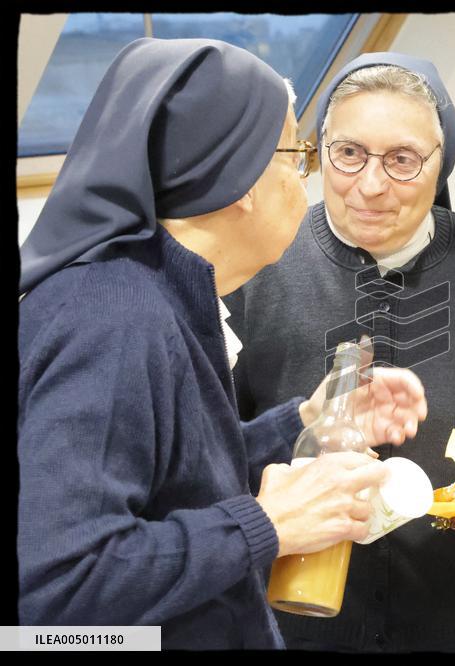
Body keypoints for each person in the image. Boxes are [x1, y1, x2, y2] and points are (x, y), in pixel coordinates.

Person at [17, 38, 428, 650]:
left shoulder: (157, 294)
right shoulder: (115, 318)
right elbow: (61, 592)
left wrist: (304, 421)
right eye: (296, 156)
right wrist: (268, 525)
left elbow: (169, 477)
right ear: (243, 179)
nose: (304, 181)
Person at [223, 52, 455, 652]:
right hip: (310, 606)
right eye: (350, 153)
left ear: (441, 165)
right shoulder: (257, 263)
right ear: (321, 150)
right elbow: (215, 441)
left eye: (403, 160)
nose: (370, 184)